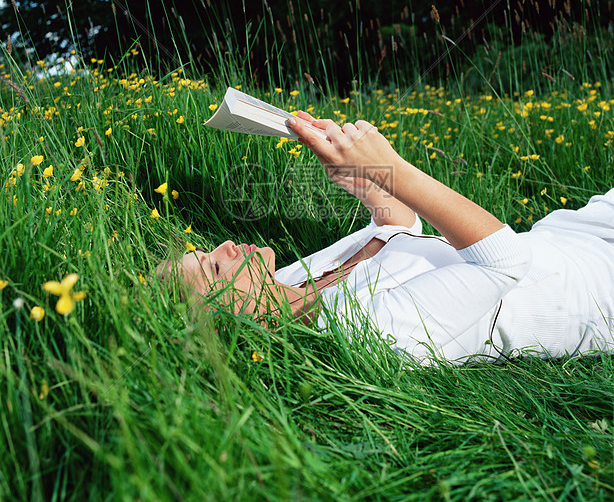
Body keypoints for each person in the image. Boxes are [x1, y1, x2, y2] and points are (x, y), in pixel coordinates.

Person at [159, 112, 614, 364]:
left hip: (570, 233)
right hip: (596, 285)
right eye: (214, 266)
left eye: (205, 251)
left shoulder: (294, 280)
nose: (223, 247)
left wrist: (355, 176)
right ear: (237, 318)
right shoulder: (362, 335)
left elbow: (396, 230)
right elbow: (504, 261)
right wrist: (390, 168)